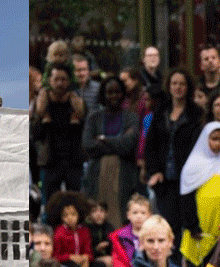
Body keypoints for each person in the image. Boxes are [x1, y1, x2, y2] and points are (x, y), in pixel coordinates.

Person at [144, 68, 205, 246]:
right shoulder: (161, 111)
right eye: (174, 83)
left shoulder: (196, 113)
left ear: (188, 87)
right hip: (165, 179)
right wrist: (154, 170)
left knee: (190, 228)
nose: (178, 87)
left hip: (187, 178)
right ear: (168, 86)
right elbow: (151, 144)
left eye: (182, 84)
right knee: (170, 229)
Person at [179, 122, 220, 267]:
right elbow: (186, 197)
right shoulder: (193, 164)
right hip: (201, 227)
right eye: (214, 139)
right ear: (205, 139)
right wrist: (192, 226)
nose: (218, 143)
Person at [83, 76, 142, 222]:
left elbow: (128, 145)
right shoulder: (93, 118)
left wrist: (103, 139)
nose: (113, 96)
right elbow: (88, 145)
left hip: (124, 176)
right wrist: (118, 141)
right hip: (97, 175)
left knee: (122, 217)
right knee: (98, 216)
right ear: (103, 95)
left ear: (123, 94)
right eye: (109, 92)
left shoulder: (131, 117)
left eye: (117, 92)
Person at [34, 62, 87, 209]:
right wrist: (43, 119)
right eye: (56, 79)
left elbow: (85, 131)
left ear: (69, 81)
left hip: (73, 161)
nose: (59, 83)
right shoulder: (42, 103)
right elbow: (35, 133)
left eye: (63, 79)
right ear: (49, 81)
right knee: (50, 205)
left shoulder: (77, 103)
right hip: (50, 161)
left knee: (76, 204)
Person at [109, 194, 151, 267]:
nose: (139, 216)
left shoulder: (154, 236)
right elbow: (117, 262)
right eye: (135, 213)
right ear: (128, 215)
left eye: (143, 213)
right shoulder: (119, 237)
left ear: (149, 215)